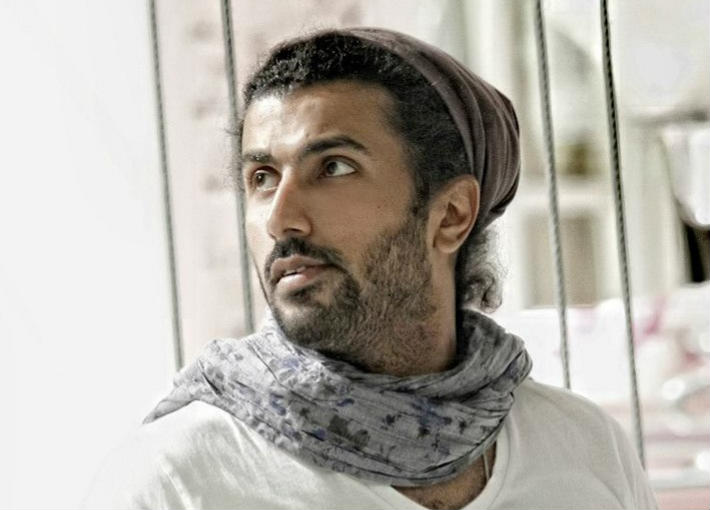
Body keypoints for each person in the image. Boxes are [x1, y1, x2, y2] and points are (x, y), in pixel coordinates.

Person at [84, 28, 658, 510]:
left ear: (451, 215)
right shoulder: (179, 479)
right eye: (262, 178)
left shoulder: (585, 451)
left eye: (333, 167)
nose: (281, 219)